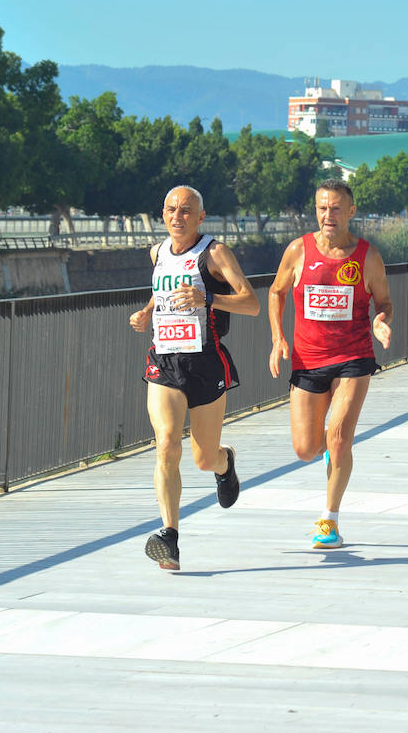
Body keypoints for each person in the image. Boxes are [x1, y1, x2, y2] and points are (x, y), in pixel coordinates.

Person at [128, 185, 259, 571]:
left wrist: (209, 300)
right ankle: (169, 535)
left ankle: (224, 463)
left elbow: (250, 302)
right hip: (164, 361)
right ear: (162, 213)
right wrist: (148, 311)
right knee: (167, 444)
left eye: (186, 210)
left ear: (201, 217)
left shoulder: (215, 254)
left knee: (203, 457)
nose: (177, 216)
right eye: (171, 209)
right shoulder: (157, 252)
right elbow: (163, 288)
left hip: (205, 363)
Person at [268, 179, 392, 549]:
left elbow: (384, 301)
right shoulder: (298, 250)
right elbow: (276, 291)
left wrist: (381, 320)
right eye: (322, 208)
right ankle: (329, 454)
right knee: (306, 449)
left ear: (351, 212)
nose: (328, 215)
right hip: (308, 360)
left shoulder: (367, 256)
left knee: (338, 438)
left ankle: (330, 520)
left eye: (336, 208)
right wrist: (278, 338)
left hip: (354, 357)